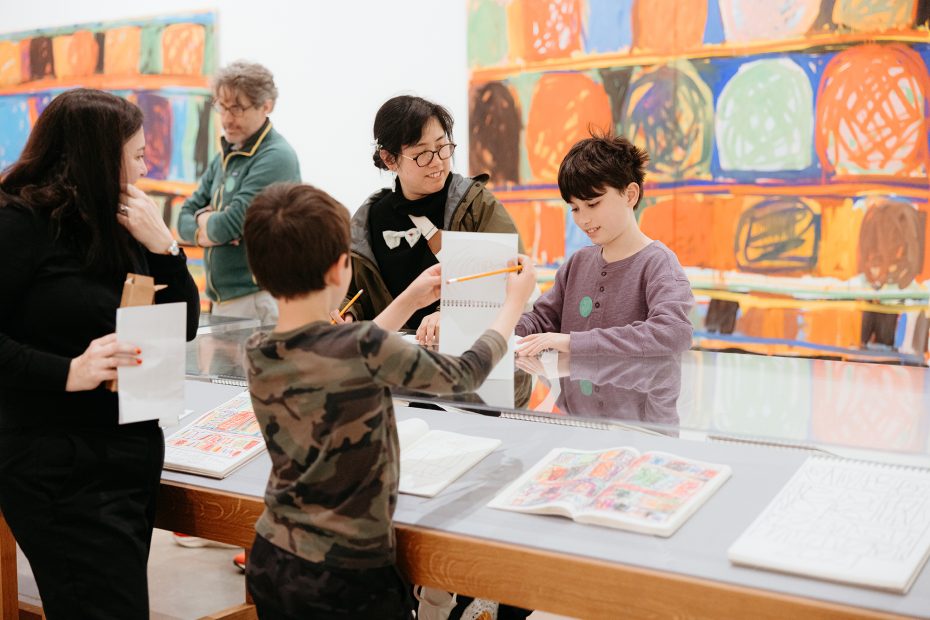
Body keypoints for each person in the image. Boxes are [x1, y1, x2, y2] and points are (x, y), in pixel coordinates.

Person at [240, 182, 536, 619]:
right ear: (341, 269)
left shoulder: (258, 349)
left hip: (272, 558)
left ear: (258, 272)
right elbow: (464, 374)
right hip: (347, 576)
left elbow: (343, 350)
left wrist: (409, 299)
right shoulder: (362, 347)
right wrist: (512, 305)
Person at [0, 88, 200, 619]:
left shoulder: (121, 223)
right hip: (57, 461)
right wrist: (69, 371)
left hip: (128, 454)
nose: (145, 167)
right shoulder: (19, 224)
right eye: (137, 155)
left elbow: (181, 326)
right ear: (96, 157)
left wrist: (166, 248)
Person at [343, 95, 524, 343]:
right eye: (422, 154)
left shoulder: (475, 206)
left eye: (442, 147)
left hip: (464, 357)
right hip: (390, 359)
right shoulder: (368, 220)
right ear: (389, 159)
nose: (437, 161)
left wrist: (452, 314)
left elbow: (514, 277)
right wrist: (347, 312)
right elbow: (353, 293)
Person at [516, 132, 694, 357]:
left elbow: (674, 332)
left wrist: (573, 343)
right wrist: (501, 332)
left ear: (630, 195)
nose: (583, 219)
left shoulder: (659, 264)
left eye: (593, 204)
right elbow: (541, 320)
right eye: (575, 208)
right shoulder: (578, 263)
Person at [178, 60, 301, 324]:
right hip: (226, 300)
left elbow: (228, 225)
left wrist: (208, 222)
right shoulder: (227, 154)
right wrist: (205, 227)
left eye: (237, 108)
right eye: (222, 107)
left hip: (258, 297)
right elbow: (183, 218)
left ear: (266, 106)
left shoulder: (276, 156)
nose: (226, 119)